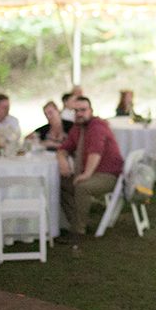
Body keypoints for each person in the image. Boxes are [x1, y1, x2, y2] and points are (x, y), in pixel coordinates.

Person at [56, 96, 123, 247]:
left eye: (83, 110)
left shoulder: (97, 127)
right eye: (76, 110)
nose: (79, 113)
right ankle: (81, 218)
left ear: (91, 111)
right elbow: (65, 147)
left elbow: (95, 152)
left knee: (82, 186)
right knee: (61, 182)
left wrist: (86, 174)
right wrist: (62, 159)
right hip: (93, 172)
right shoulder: (77, 128)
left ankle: (78, 232)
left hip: (109, 174)